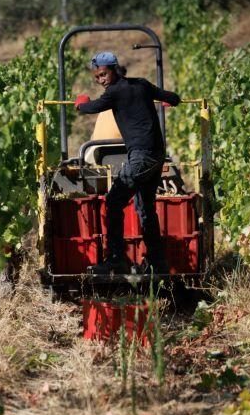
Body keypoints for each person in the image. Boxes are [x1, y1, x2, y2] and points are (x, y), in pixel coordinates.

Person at [74, 51, 181, 274]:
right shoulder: (142, 84)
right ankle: (157, 262)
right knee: (144, 208)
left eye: (103, 74)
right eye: (97, 77)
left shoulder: (114, 93)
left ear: (114, 70)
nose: (101, 80)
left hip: (141, 157)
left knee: (113, 202)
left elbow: (90, 108)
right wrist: (170, 101)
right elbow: (172, 97)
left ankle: (116, 259)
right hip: (157, 155)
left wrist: (80, 103)